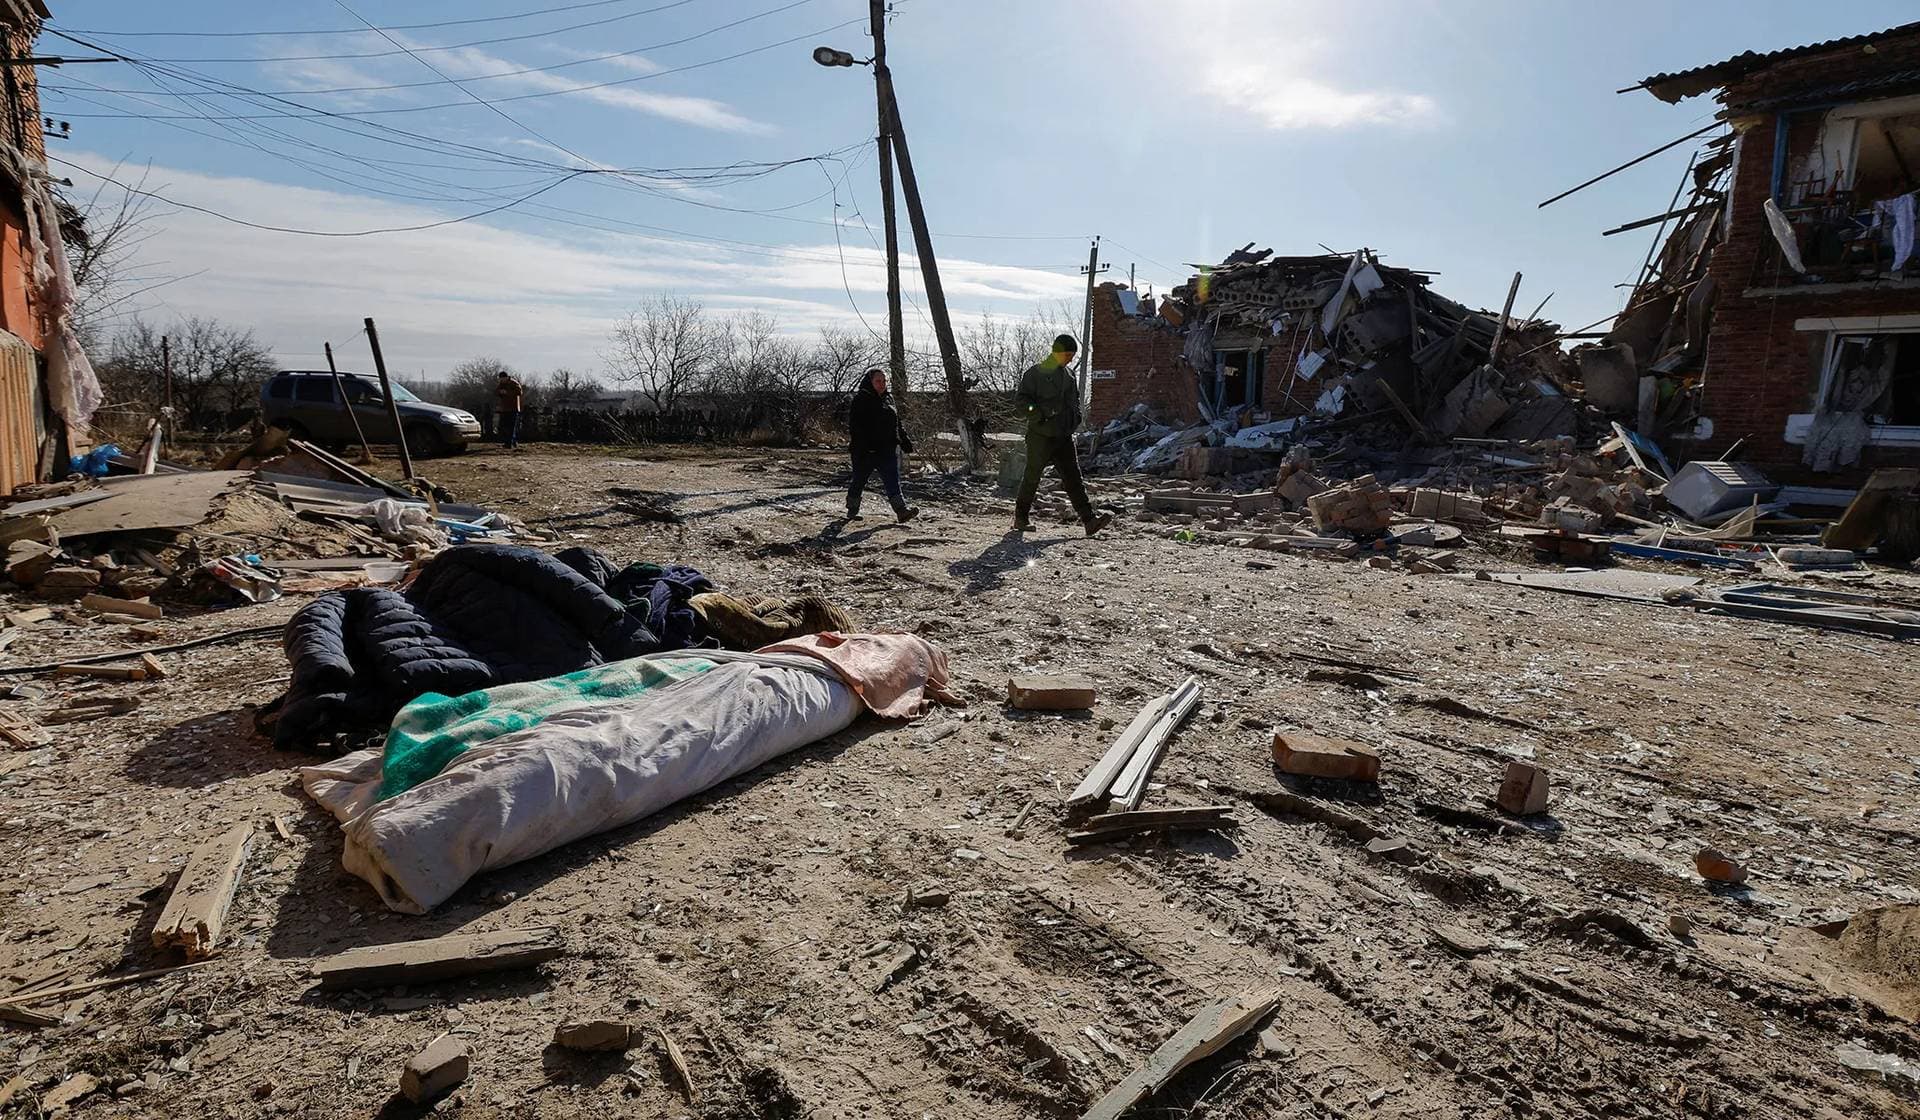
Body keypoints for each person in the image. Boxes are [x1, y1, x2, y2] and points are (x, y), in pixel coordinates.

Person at [1014, 334, 1110, 536]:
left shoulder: (1069, 375)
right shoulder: (1035, 374)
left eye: (1073, 355)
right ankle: (1021, 518)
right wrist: (1039, 414)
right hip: (1040, 436)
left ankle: (1089, 521)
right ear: (1057, 352)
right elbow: (1022, 401)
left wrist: (1075, 419)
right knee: (1032, 478)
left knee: (1074, 478)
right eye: (1068, 354)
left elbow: (1074, 401)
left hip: (1063, 436)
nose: (1071, 359)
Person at [847, 367, 917, 522]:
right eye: (878, 381)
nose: (882, 384)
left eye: (884, 381)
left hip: (886, 449)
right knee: (859, 480)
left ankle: (901, 511)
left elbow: (897, 423)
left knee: (892, 479)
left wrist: (904, 440)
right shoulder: (860, 400)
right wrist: (865, 447)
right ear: (870, 382)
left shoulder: (888, 399)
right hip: (865, 452)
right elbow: (855, 427)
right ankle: (852, 509)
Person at [495, 370, 524, 450]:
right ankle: (512, 441)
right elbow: (496, 392)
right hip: (504, 408)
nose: (501, 380)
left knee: (511, 426)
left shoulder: (514, 383)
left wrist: (507, 392)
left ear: (506, 377)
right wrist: (500, 392)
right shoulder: (501, 384)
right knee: (504, 426)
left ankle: (509, 443)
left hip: (513, 408)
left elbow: (519, 392)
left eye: (502, 379)